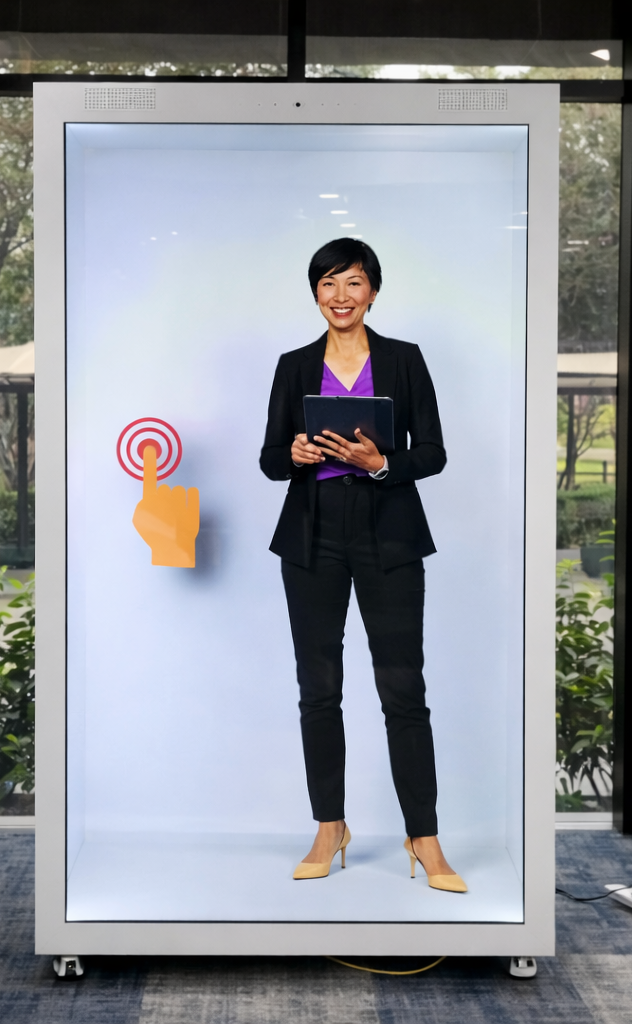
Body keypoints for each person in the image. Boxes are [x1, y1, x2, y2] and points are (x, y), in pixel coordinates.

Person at [259, 238, 467, 893]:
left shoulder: (404, 360)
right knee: (318, 691)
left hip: (390, 538)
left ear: (373, 291)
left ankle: (424, 837)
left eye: (352, 282)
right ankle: (330, 827)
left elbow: (432, 451)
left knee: (404, 691)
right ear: (315, 293)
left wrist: (381, 463)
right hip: (313, 538)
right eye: (328, 283)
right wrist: (294, 454)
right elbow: (269, 459)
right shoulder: (294, 365)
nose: (340, 296)